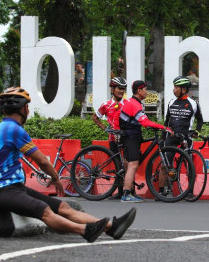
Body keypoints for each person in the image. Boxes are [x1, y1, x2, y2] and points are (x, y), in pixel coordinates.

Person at [0, 87, 136, 242]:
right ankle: (85, 230)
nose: (29, 110)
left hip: (16, 188)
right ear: (24, 108)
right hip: (5, 190)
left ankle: (112, 227)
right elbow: (42, 161)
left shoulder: (4, 127)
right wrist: (56, 178)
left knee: (62, 207)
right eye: (28, 107)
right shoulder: (14, 129)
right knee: (45, 212)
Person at [118, 80, 172, 203]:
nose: (146, 92)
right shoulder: (134, 104)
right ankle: (126, 194)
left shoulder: (136, 102)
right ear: (139, 90)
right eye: (145, 89)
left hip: (133, 135)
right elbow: (145, 122)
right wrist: (163, 127)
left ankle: (131, 191)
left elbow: (142, 121)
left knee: (129, 164)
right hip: (130, 136)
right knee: (133, 164)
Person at [159, 76, 203, 197]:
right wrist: (163, 136)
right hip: (171, 137)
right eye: (174, 87)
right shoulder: (171, 102)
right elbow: (167, 121)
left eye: (176, 87)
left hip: (186, 137)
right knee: (165, 164)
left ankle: (189, 192)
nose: (174, 89)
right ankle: (161, 191)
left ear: (184, 89)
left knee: (189, 166)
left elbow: (200, 120)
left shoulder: (193, 103)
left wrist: (196, 132)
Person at [92, 77, 127, 199]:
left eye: (123, 89)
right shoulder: (106, 105)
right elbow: (95, 118)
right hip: (113, 139)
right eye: (118, 88)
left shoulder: (127, 104)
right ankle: (120, 191)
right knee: (118, 165)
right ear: (112, 89)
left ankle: (126, 190)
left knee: (126, 164)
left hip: (126, 138)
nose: (121, 91)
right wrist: (105, 128)